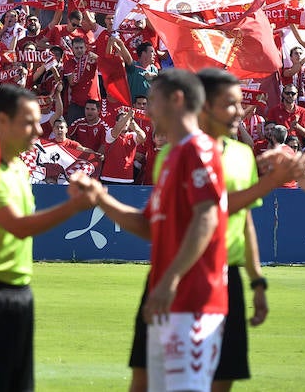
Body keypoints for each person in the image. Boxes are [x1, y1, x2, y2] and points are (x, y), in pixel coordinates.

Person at [70, 70, 227, 392]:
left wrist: (170, 280)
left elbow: (206, 219)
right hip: (168, 293)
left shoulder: (199, 150)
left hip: (192, 297)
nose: (148, 110)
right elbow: (149, 226)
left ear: (177, 100)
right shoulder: (172, 156)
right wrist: (100, 198)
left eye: (153, 100)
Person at [0, 84, 96, 392]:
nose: (38, 131)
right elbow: (16, 226)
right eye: (29, 122)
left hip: (20, 290)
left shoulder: (19, 168)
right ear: (3, 122)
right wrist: (74, 206)